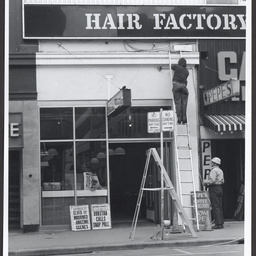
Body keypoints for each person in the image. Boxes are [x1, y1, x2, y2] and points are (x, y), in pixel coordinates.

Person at [203, 157, 225, 229]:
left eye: (212, 162)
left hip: (214, 188)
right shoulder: (220, 170)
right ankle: (221, 223)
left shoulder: (213, 171)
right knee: (219, 206)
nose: (211, 163)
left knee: (215, 206)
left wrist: (205, 182)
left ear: (215, 163)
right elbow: (223, 181)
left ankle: (218, 224)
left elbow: (212, 180)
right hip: (220, 188)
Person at [171, 57, 189, 124]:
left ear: (179, 62)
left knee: (178, 103)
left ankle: (179, 119)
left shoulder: (177, 67)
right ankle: (184, 119)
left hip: (176, 86)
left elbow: (172, 67)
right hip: (184, 87)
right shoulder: (187, 71)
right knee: (184, 103)